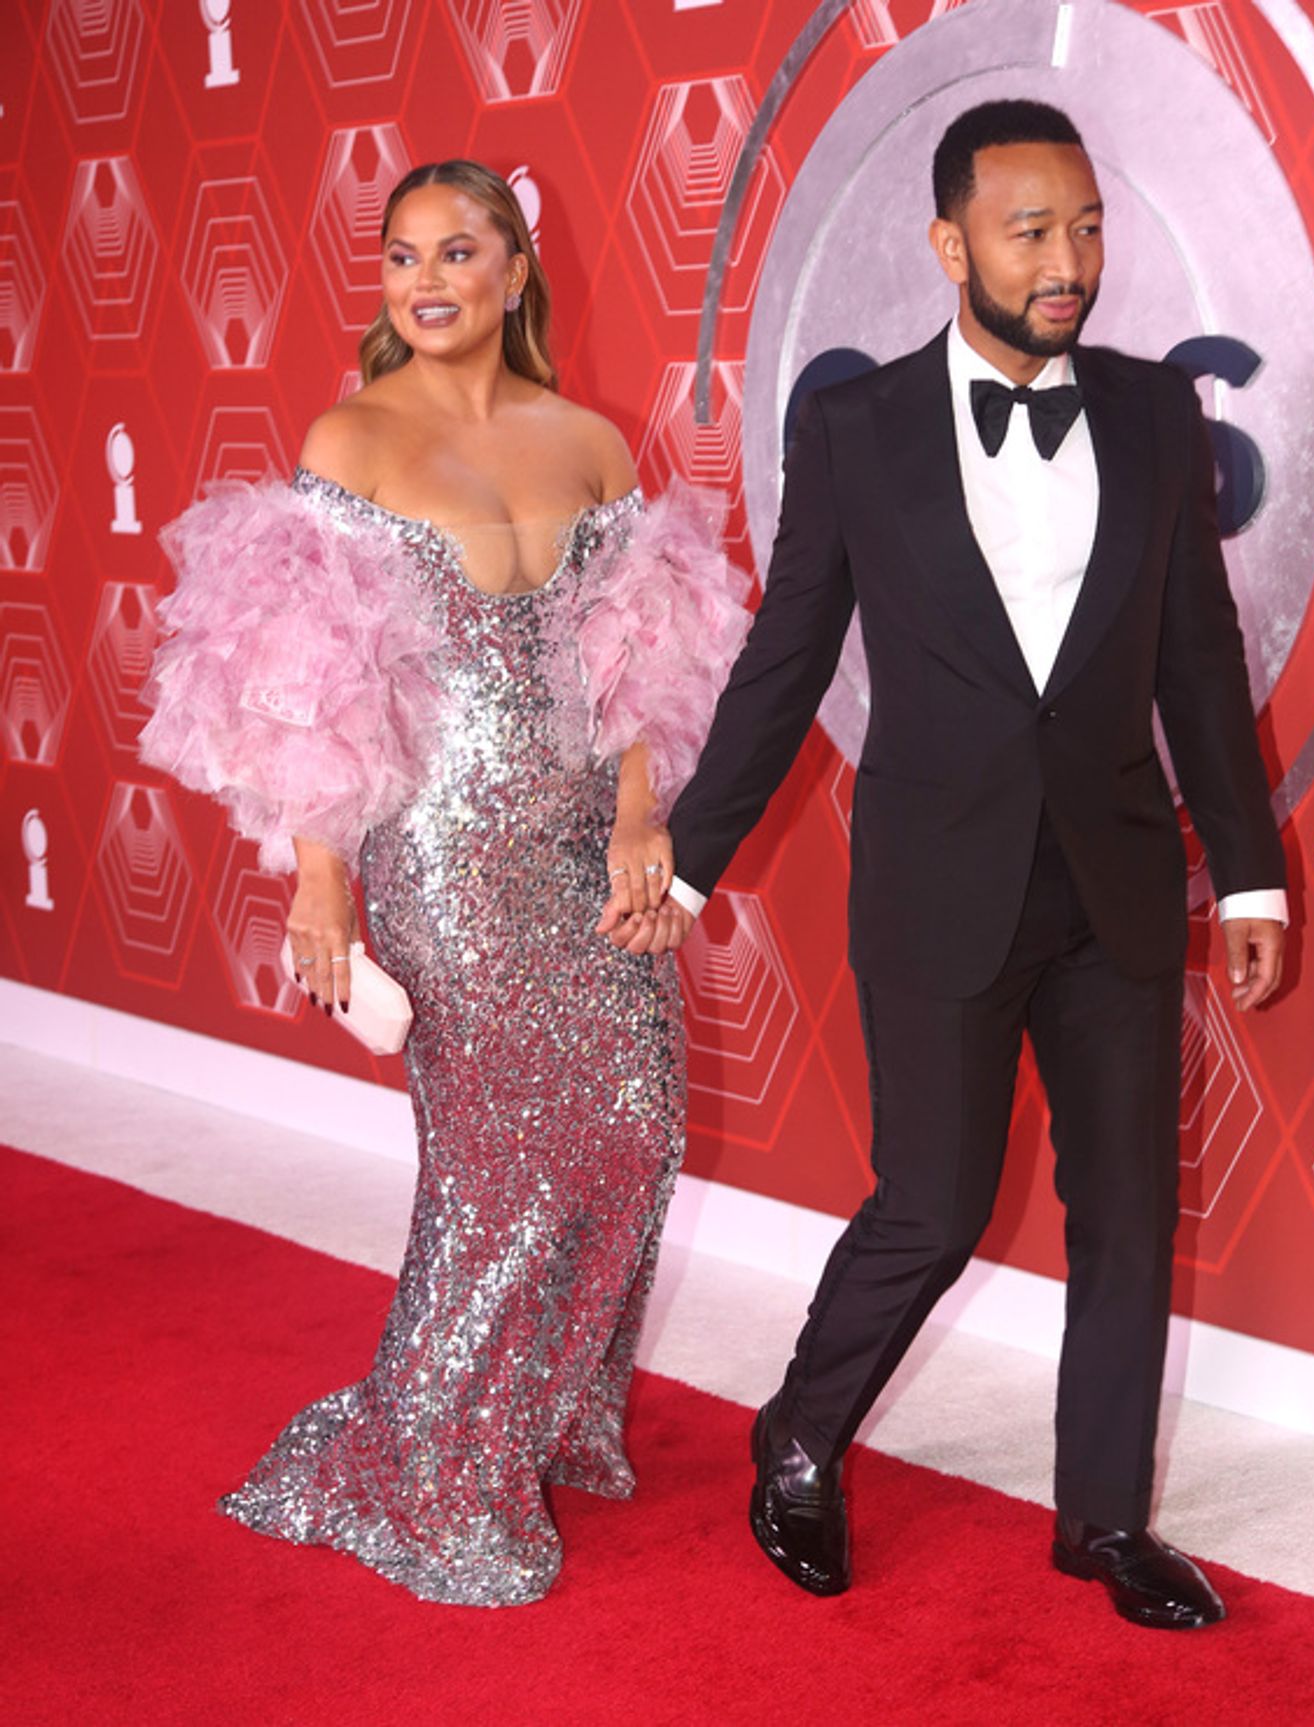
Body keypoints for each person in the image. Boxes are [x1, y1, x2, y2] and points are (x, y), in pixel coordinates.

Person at [644, 100, 1289, 1629]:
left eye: (1085, 226)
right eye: (1029, 229)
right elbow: (786, 661)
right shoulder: (856, 430)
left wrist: (1251, 876)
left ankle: (1103, 1522)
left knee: (1128, 1210)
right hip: (940, 882)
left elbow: (1199, 666)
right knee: (932, 1202)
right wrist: (686, 864)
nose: (1067, 260)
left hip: (1117, 883)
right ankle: (800, 1431)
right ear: (950, 244)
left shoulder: (1148, 412)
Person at [140, 160, 748, 1606]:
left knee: (634, 1126)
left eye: (459, 252)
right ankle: (433, 1461)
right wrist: (321, 883)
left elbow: (646, 666)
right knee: (498, 1164)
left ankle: (533, 1416)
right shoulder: (350, 440)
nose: (425, 279)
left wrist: (639, 819)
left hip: (582, 843)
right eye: (403, 254)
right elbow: (312, 689)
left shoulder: (591, 441)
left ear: (515, 270)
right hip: (441, 847)